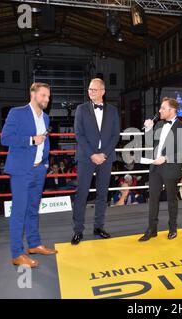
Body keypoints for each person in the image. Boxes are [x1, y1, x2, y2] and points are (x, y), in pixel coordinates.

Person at [0, 82, 57, 268]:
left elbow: (45, 143)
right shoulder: (17, 113)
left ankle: (34, 244)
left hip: (39, 170)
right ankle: (17, 253)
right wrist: (31, 140)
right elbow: (5, 138)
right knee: (19, 211)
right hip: (21, 171)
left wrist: (45, 164)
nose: (47, 99)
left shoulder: (46, 118)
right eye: (43, 95)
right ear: (32, 94)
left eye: (48, 96)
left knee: (33, 210)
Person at [71, 78, 120, 245]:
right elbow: (79, 134)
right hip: (86, 157)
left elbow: (116, 135)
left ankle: (99, 227)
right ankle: (78, 230)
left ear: (103, 91)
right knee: (81, 194)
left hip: (106, 158)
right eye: (89, 89)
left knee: (102, 194)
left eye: (94, 89)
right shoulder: (81, 109)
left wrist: (104, 154)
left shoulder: (113, 110)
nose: (90, 92)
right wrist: (93, 154)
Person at [138, 97, 182, 241]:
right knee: (153, 198)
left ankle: (173, 228)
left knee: (172, 199)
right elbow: (150, 144)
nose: (159, 110)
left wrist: (165, 158)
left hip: (170, 167)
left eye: (163, 108)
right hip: (155, 167)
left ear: (172, 110)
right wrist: (148, 129)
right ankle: (151, 229)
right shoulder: (159, 124)